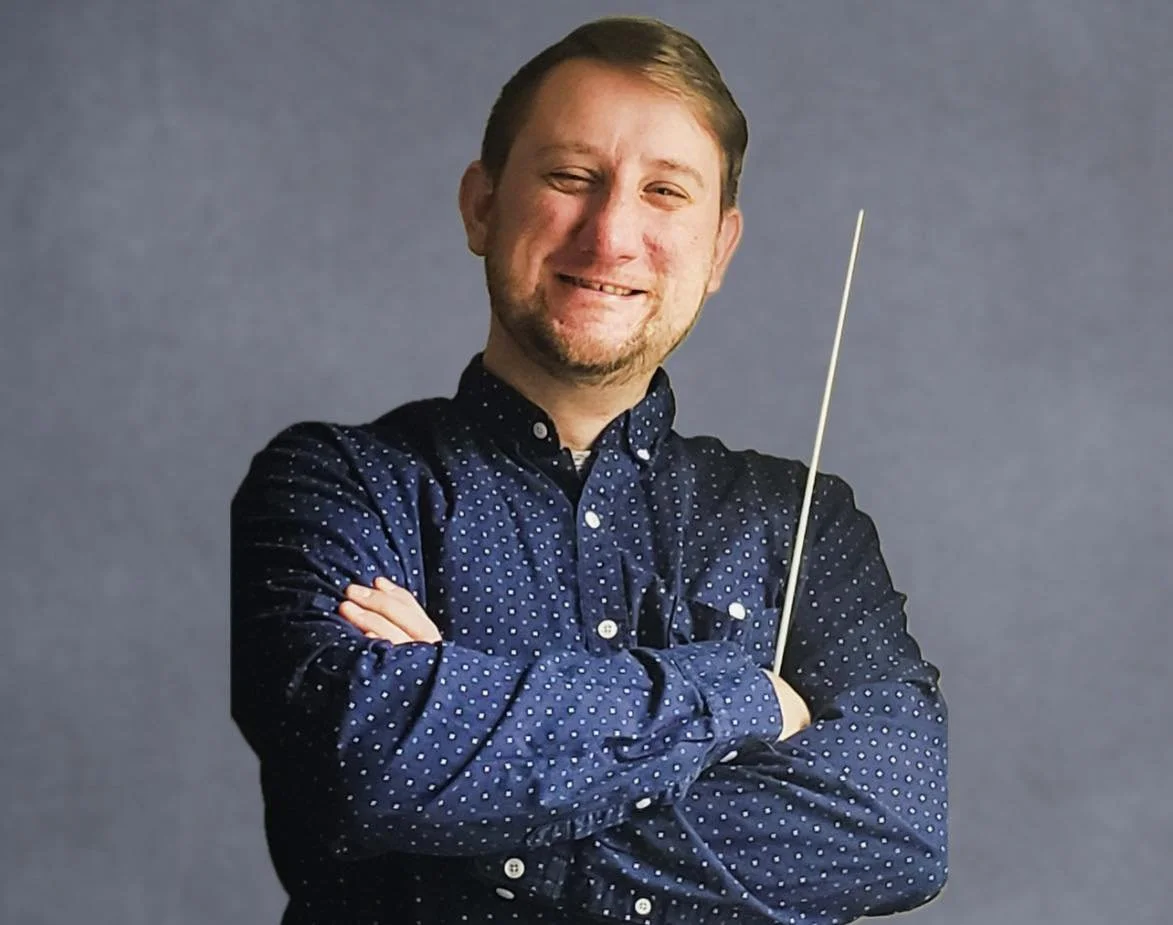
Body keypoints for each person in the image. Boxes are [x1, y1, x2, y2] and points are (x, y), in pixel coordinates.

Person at [230, 16, 948, 925]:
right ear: (481, 206)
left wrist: (467, 770)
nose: (610, 235)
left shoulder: (804, 523)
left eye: (664, 192)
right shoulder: (335, 484)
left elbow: (898, 827)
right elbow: (366, 765)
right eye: (572, 178)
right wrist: (745, 698)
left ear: (719, 249)